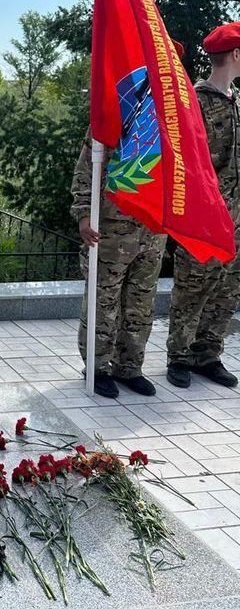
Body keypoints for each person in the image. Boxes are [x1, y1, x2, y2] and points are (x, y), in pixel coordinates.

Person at [167, 22, 240, 389]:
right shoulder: (193, 101)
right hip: (204, 216)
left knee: (226, 289)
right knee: (192, 288)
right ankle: (178, 357)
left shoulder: (237, 102)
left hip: (235, 218)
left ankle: (207, 354)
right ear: (235, 55)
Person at [71, 130, 166, 398]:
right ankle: (98, 367)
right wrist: (83, 214)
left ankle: (129, 366)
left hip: (154, 226)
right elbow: (86, 167)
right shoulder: (115, 109)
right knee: (104, 300)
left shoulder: (171, 111)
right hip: (112, 226)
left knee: (141, 303)